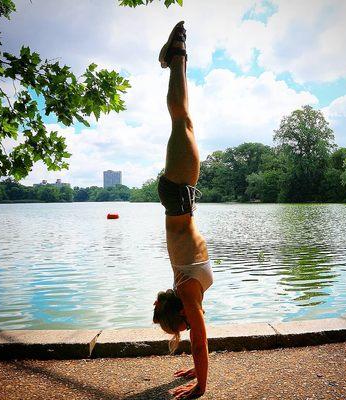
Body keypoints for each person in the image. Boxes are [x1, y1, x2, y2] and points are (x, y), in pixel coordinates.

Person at [153, 21, 214, 400]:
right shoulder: (189, 291)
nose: (154, 302)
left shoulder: (191, 289)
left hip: (179, 196)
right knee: (182, 117)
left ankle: (177, 55)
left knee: (183, 119)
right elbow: (200, 341)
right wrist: (199, 385)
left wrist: (196, 366)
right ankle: (177, 56)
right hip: (179, 197)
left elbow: (199, 339)